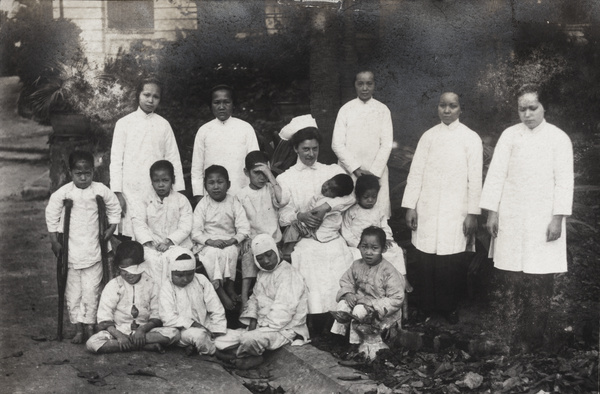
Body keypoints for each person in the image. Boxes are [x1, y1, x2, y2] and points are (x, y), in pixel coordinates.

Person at [480, 84, 573, 352]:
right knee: (512, 276)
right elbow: (496, 174)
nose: (527, 114)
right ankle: (512, 336)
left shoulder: (559, 138)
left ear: (544, 108)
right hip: (512, 215)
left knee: (540, 278)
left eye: (533, 108)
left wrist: (558, 218)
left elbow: (564, 182)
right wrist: (492, 212)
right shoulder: (509, 136)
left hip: (543, 217)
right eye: (522, 109)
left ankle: (534, 340)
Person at [401, 92, 482, 324]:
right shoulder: (428, 137)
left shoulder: (470, 138)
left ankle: (449, 307)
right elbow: (415, 173)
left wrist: (472, 213)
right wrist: (411, 207)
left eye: (452, 106)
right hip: (427, 207)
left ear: (460, 109)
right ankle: (427, 306)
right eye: (443, 106)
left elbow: (475, 179)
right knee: (426, 258)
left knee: (451, 260)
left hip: (456, 209)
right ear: (437, 108)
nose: (447, 110)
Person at [277, 116, 355, 338]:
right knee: (309, 257)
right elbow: (284, 215)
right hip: (305, 239)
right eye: (305, 149)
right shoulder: (287, 178)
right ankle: (314, 318)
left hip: (331, 235)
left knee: (338, 254)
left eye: (314, 148)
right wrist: (300, 215)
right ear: (295, 149)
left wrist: (326, 207)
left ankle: (339, 319)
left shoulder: (330, 171)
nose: (310, 154)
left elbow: (351, 197)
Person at [45, 151, 121, 343]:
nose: (84, 177)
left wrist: (111, 227)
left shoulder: (100, 190)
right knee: (73, 293)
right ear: (71, 173)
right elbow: (52, 215)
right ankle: (78, 328)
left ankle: (89, 326)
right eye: (79, 174)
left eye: (88, 173)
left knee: (91, 290)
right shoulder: (64, 194)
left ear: (93, 172)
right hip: (71, 253)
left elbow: (114, 206)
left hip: (94, 251)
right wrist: (54, 240)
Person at [216, 234, 309, 367]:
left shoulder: (289, 274)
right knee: (220, 339)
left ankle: (243, 357)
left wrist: (259, 328)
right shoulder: (262, 273)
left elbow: (284, 310)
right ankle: (242, 355)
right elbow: (254, 299)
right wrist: (253, 323)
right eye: (259, 258)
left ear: (277, 251)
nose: (265, 261)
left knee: (249, 339)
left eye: (269, 255)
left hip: (283, 329)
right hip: (262, 326)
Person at [110, 77, 185, 239]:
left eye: (155, 97)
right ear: (138, 95)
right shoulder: (124, 123)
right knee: (131, 235)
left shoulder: (164, 125)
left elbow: (173, 158)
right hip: (131, 190)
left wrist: (177, 192)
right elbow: (116, 160)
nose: (150, 100)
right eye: (146, 95)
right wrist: (117, 192)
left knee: (156, 235)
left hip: (157, 188)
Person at [86, 241, 180, 354]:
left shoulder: (151, 284)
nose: (129, 274)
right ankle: (144, 346)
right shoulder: (113, 285)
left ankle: (131, 345)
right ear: (118, 268)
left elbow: (156, 315)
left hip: (145, 332)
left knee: (174, 333)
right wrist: (120, 336)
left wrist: (142, 330)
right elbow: (104, 318)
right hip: (118, 331)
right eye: (124, 270)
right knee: (92, 343)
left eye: (133, 269)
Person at [332, 70, 394, 218]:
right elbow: (337, 144)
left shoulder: (383, 110)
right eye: (360, 84)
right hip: (350, 171)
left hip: (376, 172)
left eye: (369, 84)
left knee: (377, 214)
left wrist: (374, 172)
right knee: (350, 214)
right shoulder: (346, 110)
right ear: (355, 85)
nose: (365, 88)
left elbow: (386, 144)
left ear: (374, 85)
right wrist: (355, 168)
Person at [330, 226, 405, 346]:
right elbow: (346, 280)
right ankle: (338, 338)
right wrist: (348, 293)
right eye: (364, 247)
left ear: (383, 249)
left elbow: (396, 299)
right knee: (343, 305)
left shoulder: (388, 271)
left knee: (359, 310)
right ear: (359, 246)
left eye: (374, 248)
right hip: (360, 302)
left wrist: (372, 304)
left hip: (381, 312)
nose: (368, 252)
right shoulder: (356, 265)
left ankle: (357, 344)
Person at [192, 165, 250, 310]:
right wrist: (210, 241)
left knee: (230, 251)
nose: (216, 187)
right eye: (211, 183)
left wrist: (232, 240)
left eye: (220, 182)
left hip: (229, 241)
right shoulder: (203, 205)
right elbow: (195, 231)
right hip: (208, 243)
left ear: (228, 184)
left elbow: (243, 227)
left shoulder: (233, 202)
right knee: (213, 253)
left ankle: (229, 286)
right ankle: (219, 289)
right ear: (205, 186)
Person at [237, 151, 288, 309]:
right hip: (253, 241)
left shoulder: (271, 189)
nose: (261, 177)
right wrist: (246, 238)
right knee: (247, 257)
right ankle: (245, 298)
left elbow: (283, 200)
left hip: (274, 240)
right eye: (256, 173)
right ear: (246, 172)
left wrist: (270, 175)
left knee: (277, 264)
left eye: (264, 172)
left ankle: (276, 298)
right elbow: (241, 221)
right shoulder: (241, 195)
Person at [191, 84, 259, 203]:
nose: (221, 107)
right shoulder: (204, 131)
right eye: (216, 102)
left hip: (242, 194)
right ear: (211, 105)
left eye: (226, 102)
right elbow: (197, 168)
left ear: (233, 104)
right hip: (212, 196)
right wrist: (198, 195)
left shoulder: (245, 128)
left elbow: (255, 164)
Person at [131, 160, 193, 286]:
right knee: (151, 261)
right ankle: (156, 298)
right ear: (151, 181)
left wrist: (169, 242)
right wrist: (149, 243)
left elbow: (185, 226)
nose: (160, 185)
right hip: (151, 246)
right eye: (156, 181)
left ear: (173, 180)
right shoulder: (143, 200)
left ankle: (172, 295)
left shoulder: (181, 200)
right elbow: (138, 223)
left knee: (177, 261)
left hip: (176, 245)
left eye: (165, 180)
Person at [158, 247, 228, 356]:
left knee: (234, 336)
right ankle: (221, 356)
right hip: (183, 331)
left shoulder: (201, 280)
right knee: (199, 336)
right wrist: (194, 324)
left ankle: (200, 347)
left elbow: (216, 307)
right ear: (170, 271)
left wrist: (217, 329)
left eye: (189, 274)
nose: (185, 279)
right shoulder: (167, 287)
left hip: (207, 326)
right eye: (179, 275)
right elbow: (168, 318)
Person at [341, 175, 407, 278]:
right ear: (358, 196)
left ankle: (401, 277)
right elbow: (346, 230)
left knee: (395, 250)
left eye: (374, 196)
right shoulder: (352, 211)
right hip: (360, 244)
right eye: (366, 197)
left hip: (377, 242)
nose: (370, 200)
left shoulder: (378, 210)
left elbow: (384, 226)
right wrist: (356, 244)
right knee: (357, 256)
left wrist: (387, 238)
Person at [282, 173, 354, 247]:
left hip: (318, 231)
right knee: (292, 226)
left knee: (295, 226)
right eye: (328, 183)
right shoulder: (323, 195)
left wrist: (302, 220)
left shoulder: (327, 201)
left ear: (337, 196)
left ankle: (288, 250)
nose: (326, 187)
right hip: (320, 229)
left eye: (331, 190)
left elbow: (312, 220)